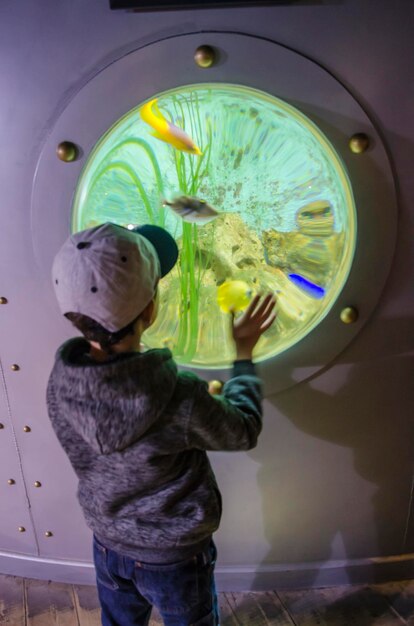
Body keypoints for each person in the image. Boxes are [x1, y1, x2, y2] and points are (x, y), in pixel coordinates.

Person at [47, 222, 277, 626]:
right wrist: (243, 356)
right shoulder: (178, 397)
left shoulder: (60, 385)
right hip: (176, 557)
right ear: (151, 309)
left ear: (71, 313)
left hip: (108, 544)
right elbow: (243, 429)